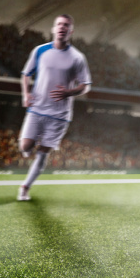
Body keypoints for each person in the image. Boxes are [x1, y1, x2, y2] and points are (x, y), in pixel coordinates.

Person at [16, 13, 92, 201]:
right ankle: (27, 148)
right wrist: (26, 94)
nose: (62, 27)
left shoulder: (77, 58)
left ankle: (25, 187)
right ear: (53, 28)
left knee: (42, 154)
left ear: (71, 31)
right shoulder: (40, 51)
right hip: (37, 108)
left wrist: (68, 92)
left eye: (66, 25)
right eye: (59, 24)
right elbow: (26, 75)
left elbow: (85, 85)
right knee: (25, 146)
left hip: (59, 114)